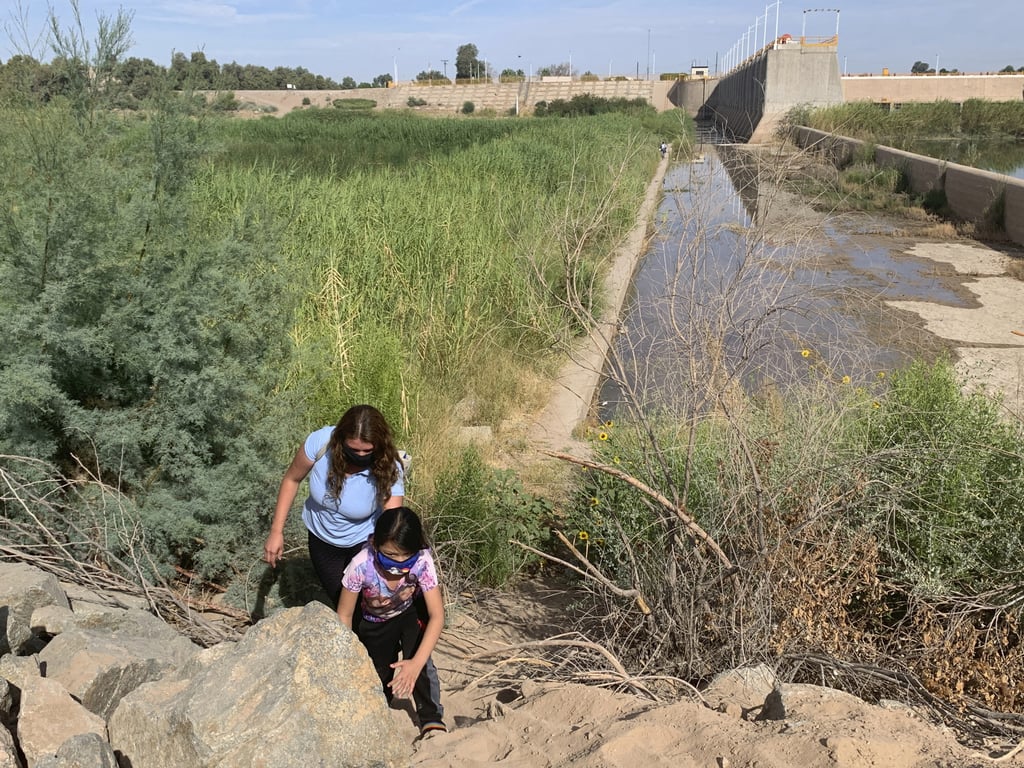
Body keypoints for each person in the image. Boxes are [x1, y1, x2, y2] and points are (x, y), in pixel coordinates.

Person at [263, 404, 405, 608]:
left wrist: (390, 561)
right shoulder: (321, 443)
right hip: (322, 540)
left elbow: (392, 519)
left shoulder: (388, 465)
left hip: (364, 541)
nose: (361, 455)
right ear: (340, 440)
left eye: (368, 451)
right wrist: (276, 531)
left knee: (369, 601)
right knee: (340, 599)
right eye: (354, 449)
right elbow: (291, 480)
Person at [338, 506, 447, 737]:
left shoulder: (423, 562)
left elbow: (437, 615)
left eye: (406, 555)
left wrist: (415, 664)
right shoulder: (361, 565)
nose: (398, 563)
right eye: (390, 555)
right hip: (373, 622)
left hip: (409, 615)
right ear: (375, 545)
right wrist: (347, 654)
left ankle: (431, 717)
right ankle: (380, 708)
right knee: (378, 671)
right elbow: (345, 614)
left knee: (421, 662)